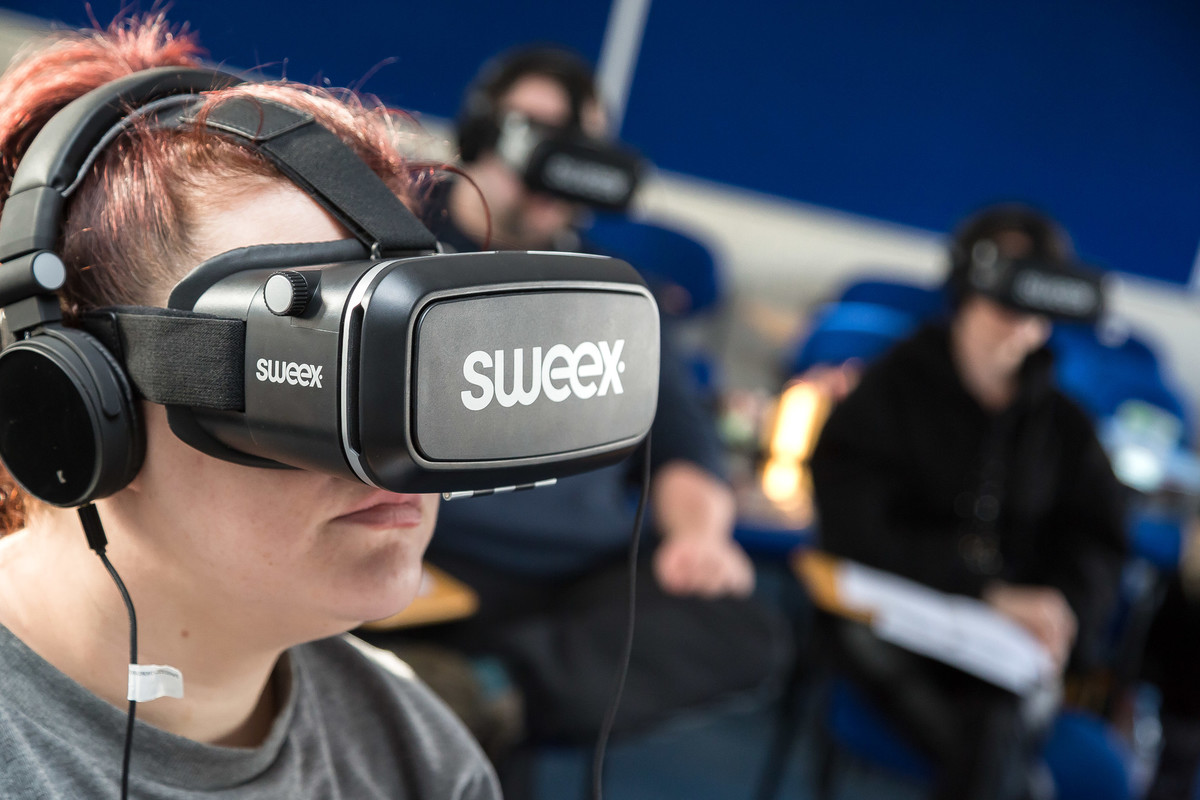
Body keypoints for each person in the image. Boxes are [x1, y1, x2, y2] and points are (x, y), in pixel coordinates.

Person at [0, 16, 499, 798]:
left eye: (407, 359)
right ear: (76, 397)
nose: (395, 441)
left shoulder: (422, 760)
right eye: (316, 360)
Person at [374, 45, 791, 758]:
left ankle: (490, 688)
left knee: (741, 624)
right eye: (534, 134)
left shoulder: (619, 290)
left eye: (578, 145)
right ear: (481, 133)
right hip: (436, 548)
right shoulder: (390, 247)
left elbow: (684, 445)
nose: (553, 165)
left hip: (583, 572)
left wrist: (700, 536)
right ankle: (486, 695)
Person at [809, 204, 1128, 800]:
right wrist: (984, 589)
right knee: (990, 745)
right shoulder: (889, 391)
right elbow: (855, 527)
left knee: (994, 718)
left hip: (1012, 650)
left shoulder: (1066, 427)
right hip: (892, 624)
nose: (1017, 323)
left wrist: (1062, 610)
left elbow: (1096, 543)